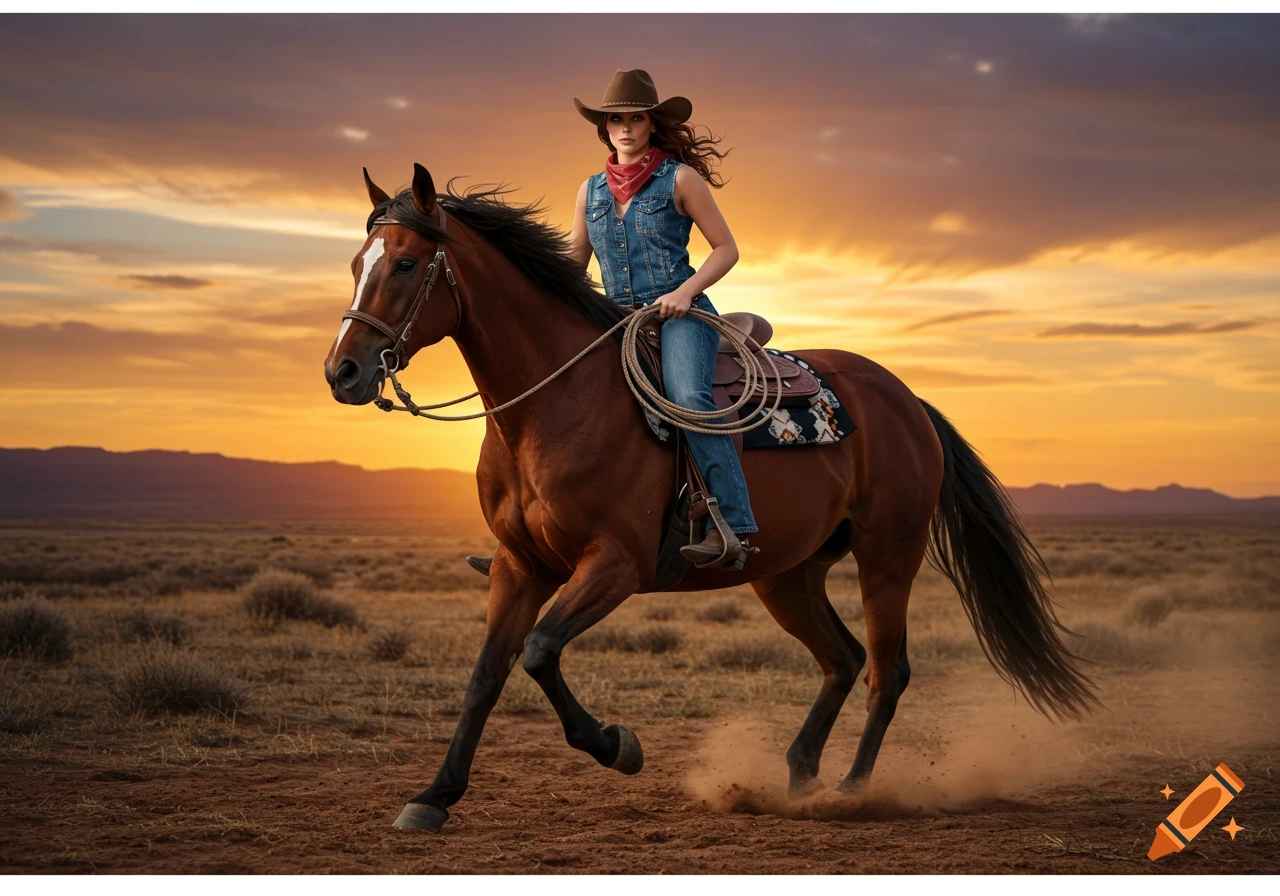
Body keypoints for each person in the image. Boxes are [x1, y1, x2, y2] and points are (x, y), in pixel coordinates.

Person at [570, 68, 759, 568]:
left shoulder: (679, 178)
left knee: (687, 395)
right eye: (616, 120)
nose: (625, 128)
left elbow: (726, 249)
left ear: (651, 123)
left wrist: (685, 292)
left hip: (682, 315)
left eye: (635, 118)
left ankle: (732, 525)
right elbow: (573, 265)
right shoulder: (589, 192)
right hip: (616, 321)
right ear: (604, 128)